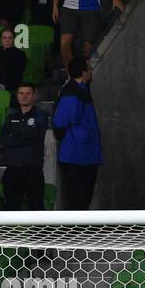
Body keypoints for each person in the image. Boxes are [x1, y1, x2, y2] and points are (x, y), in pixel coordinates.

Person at [52, 55, 101, 210]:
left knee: (83, 199)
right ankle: (75, 233)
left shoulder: (81, 89)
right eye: (89, 69)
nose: (91, 72)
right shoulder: (72, 93)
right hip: (77, 156)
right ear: (83, 72)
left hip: (85, 155)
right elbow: (60, 123)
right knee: (77, 200)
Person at [0, 82, 48, 211]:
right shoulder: (11, 117)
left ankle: (39, 232)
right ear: (17, 96)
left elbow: (34, 135)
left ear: (33, 96)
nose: (24, 96)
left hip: (33, 170)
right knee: (11, 209)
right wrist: (23, 135)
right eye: (21, 93)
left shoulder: (40, 115)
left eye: (28, 93)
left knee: (36, 208)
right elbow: (3, 139)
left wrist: (14, 136)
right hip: (13, 170)